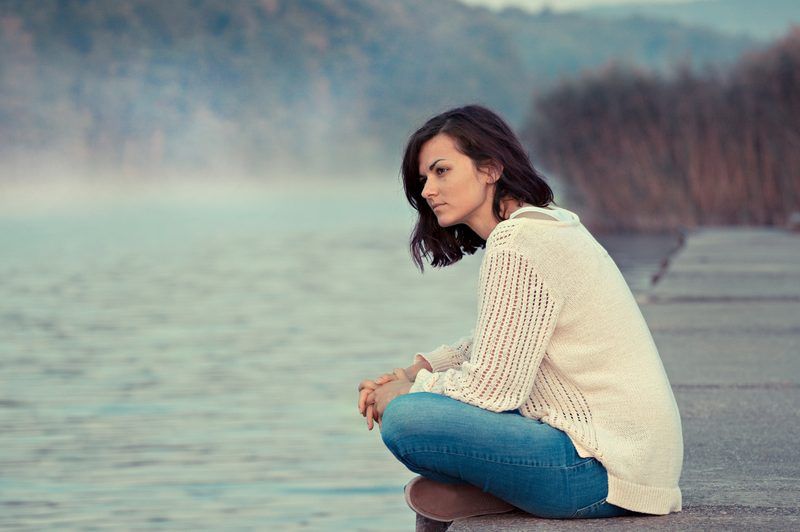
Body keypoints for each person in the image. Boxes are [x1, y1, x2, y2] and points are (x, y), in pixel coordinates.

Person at [356, 104, 683, 522]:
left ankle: (501, 489)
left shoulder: (519, 242)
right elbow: (503, 340)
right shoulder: (546, 224)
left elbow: (494, 389)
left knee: (406, 419)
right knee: (420, 405)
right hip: (632, 464)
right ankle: (501, 492)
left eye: (441, 171)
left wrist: (405, 393)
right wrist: (413, 370)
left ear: (490, 168)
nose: (427, 191)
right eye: (423, 179)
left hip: (601, 469)